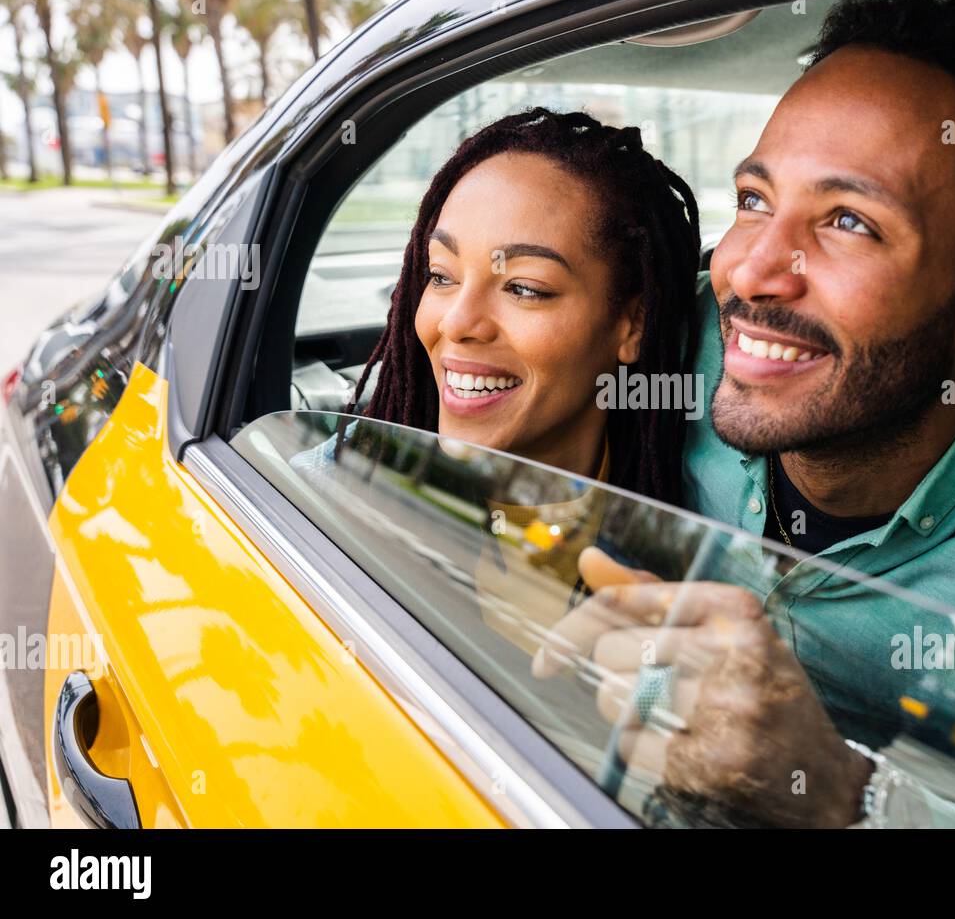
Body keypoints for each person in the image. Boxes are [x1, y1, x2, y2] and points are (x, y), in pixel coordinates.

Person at [533, 0, 955, 827]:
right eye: (755, 201)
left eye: (848, 220)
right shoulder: (674, 337)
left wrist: (834, 790)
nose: (750, 271)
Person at [291, 106, 702, 649]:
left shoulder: (698, 522)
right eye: (441, 276)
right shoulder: (322, 498)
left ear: (633, 324)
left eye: (525, 288)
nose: (457, 322)